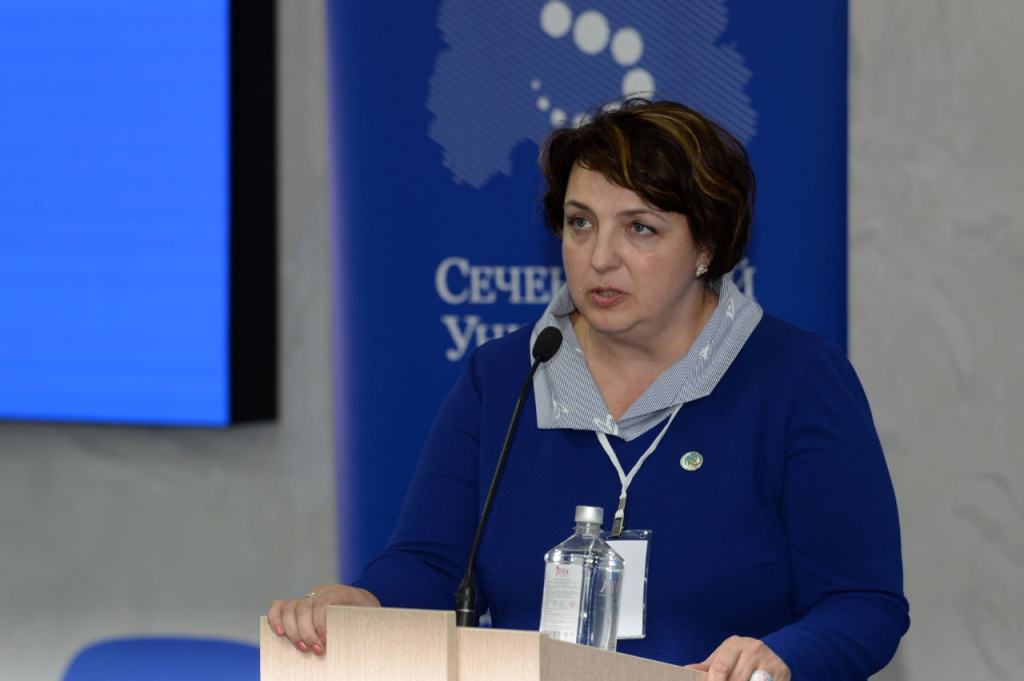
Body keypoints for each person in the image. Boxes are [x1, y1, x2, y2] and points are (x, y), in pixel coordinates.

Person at [269, 99, 909, 681]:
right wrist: (363, 601)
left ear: (707, 245)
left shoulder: (796, 379)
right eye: (580, 223)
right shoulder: (505, 375)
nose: (599, 257)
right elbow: (432, 566)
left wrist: (785, 656)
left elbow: (862, 602)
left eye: (640, 228)